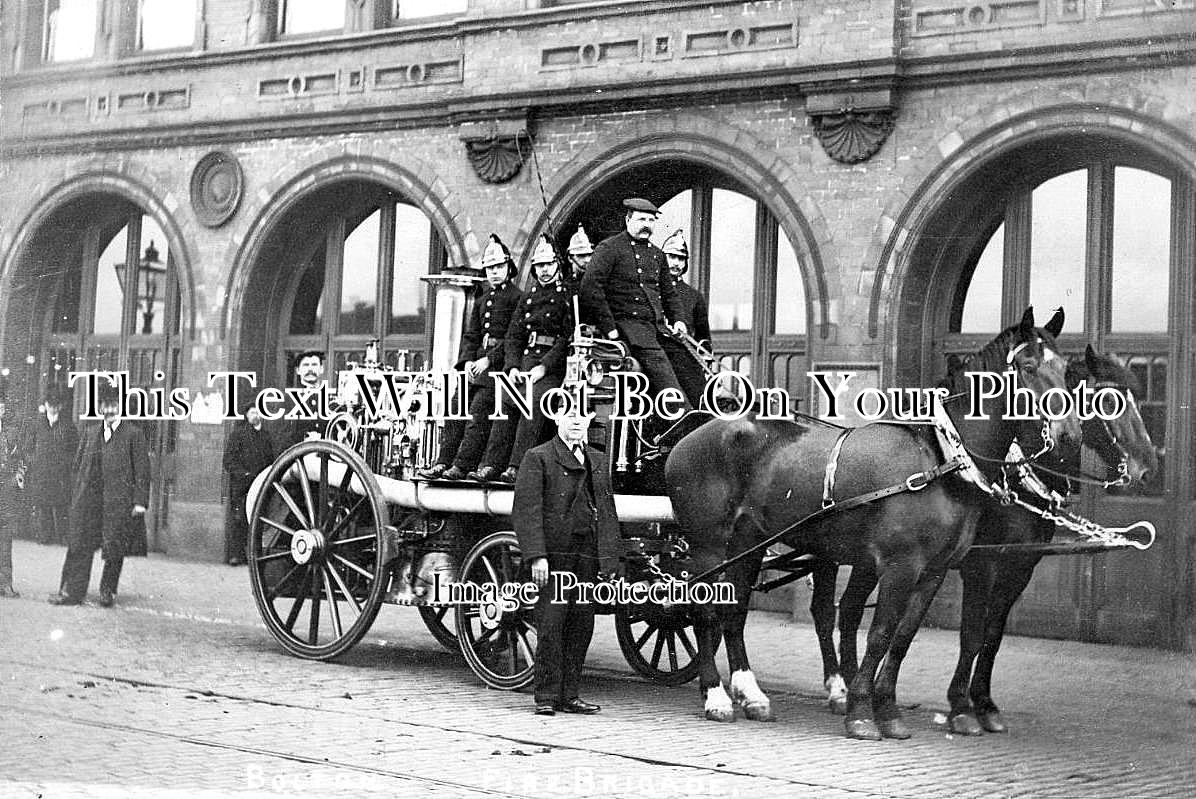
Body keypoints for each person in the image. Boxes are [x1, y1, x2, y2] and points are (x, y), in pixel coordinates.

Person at [513, 405, 620, 716]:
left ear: (589, 421)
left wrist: (610, 561)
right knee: (551, 624)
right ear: (557, 419)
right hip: (555, 556)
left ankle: (570, 695)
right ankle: (546, 697)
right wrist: (537, 557)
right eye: (569, 415)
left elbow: (608, 513)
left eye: (581, 416)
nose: (576, 422)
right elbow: (527, 512)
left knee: (581, 624)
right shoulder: (539, 457)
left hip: (587, 554)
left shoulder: (598, 460)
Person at [470, 235, 573, 484]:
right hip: (525, 363)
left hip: (551, 368)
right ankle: (492, 465)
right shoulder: (528, 297)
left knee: (533, 405)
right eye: (539, 265)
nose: (544, 270)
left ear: (557, 265)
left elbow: (566, 338)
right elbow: (515, 336)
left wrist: (544, 367)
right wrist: (512, 367)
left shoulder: (566, 296)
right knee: (504, 404)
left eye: (548, 264)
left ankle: (517, 466)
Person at [419, 235, 522, 480]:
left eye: (499, 267)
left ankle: (463, 465)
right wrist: (465, 363)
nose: (495, 272)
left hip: (498, 368)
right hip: (475, 364)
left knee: (478, 413)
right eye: (490, 268)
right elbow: (472, 335)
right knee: (455, 409)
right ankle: (442, 461)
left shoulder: (518, 298)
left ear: (509, 268)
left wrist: (489, 360)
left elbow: (513, 338)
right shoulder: (482, 300)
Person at [579, 198, 690, 410]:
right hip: (628, 330)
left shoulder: (657, 255)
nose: (646, 224)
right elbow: (590, 289)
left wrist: (679, 321)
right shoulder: (609, 248)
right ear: (628, 220)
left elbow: (669, 294)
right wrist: (610, 329)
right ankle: (683, 420)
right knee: (668, 383)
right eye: (641, 219)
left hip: (656, 329)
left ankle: (698, 418)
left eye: (651, 220)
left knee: (687, 364)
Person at [49, 381, 150, 607]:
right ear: (100, 407)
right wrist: (76, 496)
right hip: (90, 503)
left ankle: (107, 591)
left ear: (120, 407)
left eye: (113, 405)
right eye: (105, 405)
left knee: (114, 549)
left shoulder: (134, 435)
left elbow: (143, 472)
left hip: (118, 503)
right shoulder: (90, 432)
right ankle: (73, 592)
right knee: (80, 545)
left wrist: (140, 502)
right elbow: (77, 467)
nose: (109, 410)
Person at [659, 229, 712, 408]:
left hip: (686, 358)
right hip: (659, 356)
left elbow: (703, 338)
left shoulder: (694, 296)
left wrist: (705, 359)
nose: (676, 263)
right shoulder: (652, 291)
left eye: (681, 258)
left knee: (700, 403)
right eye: (671, 257)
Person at [222, 406, 274, 566]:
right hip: (242, 485)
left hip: (260, 483)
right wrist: (243, 474)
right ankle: (236, 555)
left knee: (257, 518)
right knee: (239, 519)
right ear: (246, 415)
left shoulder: (266, 435)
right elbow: (228, 460)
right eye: (252, 412)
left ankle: (253, 555)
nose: (255, 415)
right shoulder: (238, 434)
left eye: (258, 412)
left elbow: (271, 459)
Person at [25, 387, 78, 546]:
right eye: (50, 404)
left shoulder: (68, 426)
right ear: (46, 405)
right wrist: (35, 462)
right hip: (42, 473)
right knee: (43, 506)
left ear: (60, 406)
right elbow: (28, 448)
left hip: (61, 474)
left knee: (62, 506)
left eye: (56, 405)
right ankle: (45, 537)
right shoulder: (37, 425)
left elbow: (75, 450)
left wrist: (66, 464)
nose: (53, 408)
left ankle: (63, 537)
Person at [0, 389, 24, 598]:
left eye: (1, 404)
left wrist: (19, 478)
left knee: (5, 540)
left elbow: (22, 459)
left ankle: (5, 583)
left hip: (6, 493)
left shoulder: (11, 434)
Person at [285, 349, 326, 446]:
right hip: (297, 457)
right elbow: (281, 435)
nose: (310, 369)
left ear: (321, 369)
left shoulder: (329, 399)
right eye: (306, 365)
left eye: (314, 365)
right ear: (298, 370)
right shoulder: (288, 399)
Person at [565, 225, 594, 290]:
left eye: (589, 255)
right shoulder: (565, 286)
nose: (587, 260)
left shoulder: (597, 281)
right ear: (570, 258)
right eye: (581, 255)